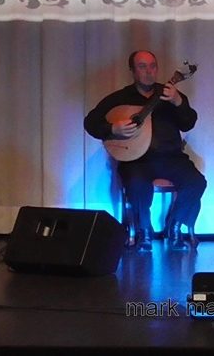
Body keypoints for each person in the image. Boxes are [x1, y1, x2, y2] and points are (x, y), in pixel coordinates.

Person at [84, 50, 206, 252]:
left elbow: (188, 123)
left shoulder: (170, 94)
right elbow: (91, 122)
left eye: (152, 66)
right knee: (136, 184)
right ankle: (144, 232)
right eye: (142, 66)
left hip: (172, 158)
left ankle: (174, 225)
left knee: (197, 181)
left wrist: (178, 102)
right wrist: (112, 129)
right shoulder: (120, 98)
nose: (149, 71)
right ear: (132, 70)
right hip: (136, 161)